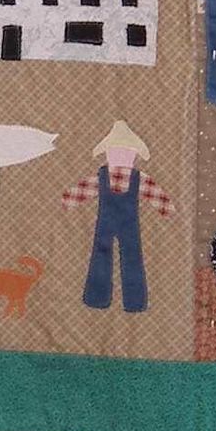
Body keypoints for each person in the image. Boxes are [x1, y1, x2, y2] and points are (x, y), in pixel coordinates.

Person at [59, 120, 174, 313]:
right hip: (127, 223)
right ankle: (134, 302)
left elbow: (84, 189)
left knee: (104, 253)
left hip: (109, 222)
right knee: (130, 256)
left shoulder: (108, 176)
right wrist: (166, 208)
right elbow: (155, 194)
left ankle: (98, 298)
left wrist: (68, 199)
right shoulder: (134, 178)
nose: (121, 156)